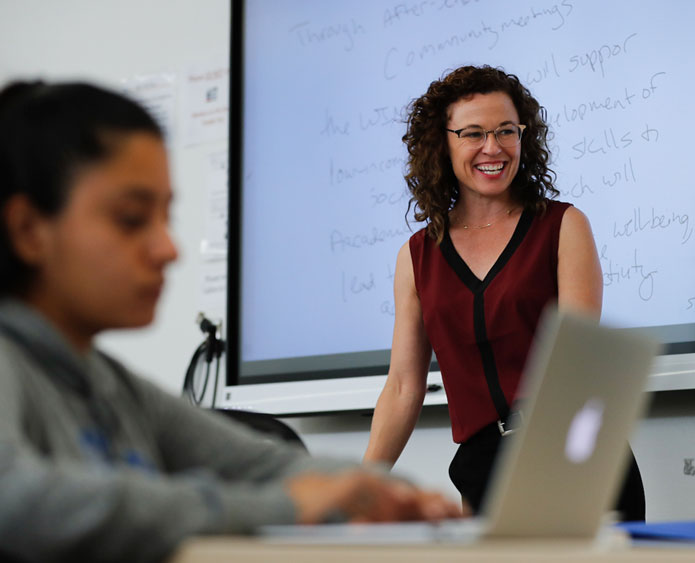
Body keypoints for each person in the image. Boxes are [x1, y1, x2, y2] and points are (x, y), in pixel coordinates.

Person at [0, 81, 460, 563]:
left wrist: (395, 494)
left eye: (166, 216)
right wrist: (285, 508)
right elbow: (19, 500)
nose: (168, 248)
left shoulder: (115, 386)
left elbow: (267, 465)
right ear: (29, 231)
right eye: (132, 218)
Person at [363, 65, 645, 518]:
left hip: (571, 456)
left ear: (523, 136)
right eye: (473, 133)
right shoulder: (417, 256)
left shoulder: (563, 226)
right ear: (444, 142)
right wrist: (361, 489)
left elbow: (578, 367)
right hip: (482, 470)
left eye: (506, 131)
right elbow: (401, 387)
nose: (492, 148)